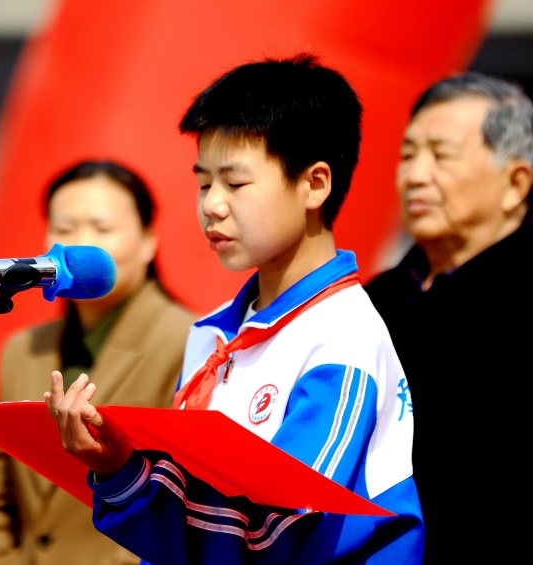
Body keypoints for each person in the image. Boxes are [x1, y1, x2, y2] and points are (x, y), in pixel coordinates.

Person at [44, 54, 425, 564]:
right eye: (204, 183)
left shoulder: (344, 337)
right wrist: (119, 472)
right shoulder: (211, 334)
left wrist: (126, 477)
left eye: (235, 183)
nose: (211, 205)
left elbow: (278, 530)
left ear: (315, 184)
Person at [0, 159, 197, 564]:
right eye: (64, 229)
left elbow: (182, 504)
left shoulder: (190, 341)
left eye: (102, 228)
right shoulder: (21, 349)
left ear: (149, 240)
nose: (79, 245)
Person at [364, 72, 533, 562]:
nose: (415, 175)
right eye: (408, 154)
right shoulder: (374, 300)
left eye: (441, 155)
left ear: (515, 182)